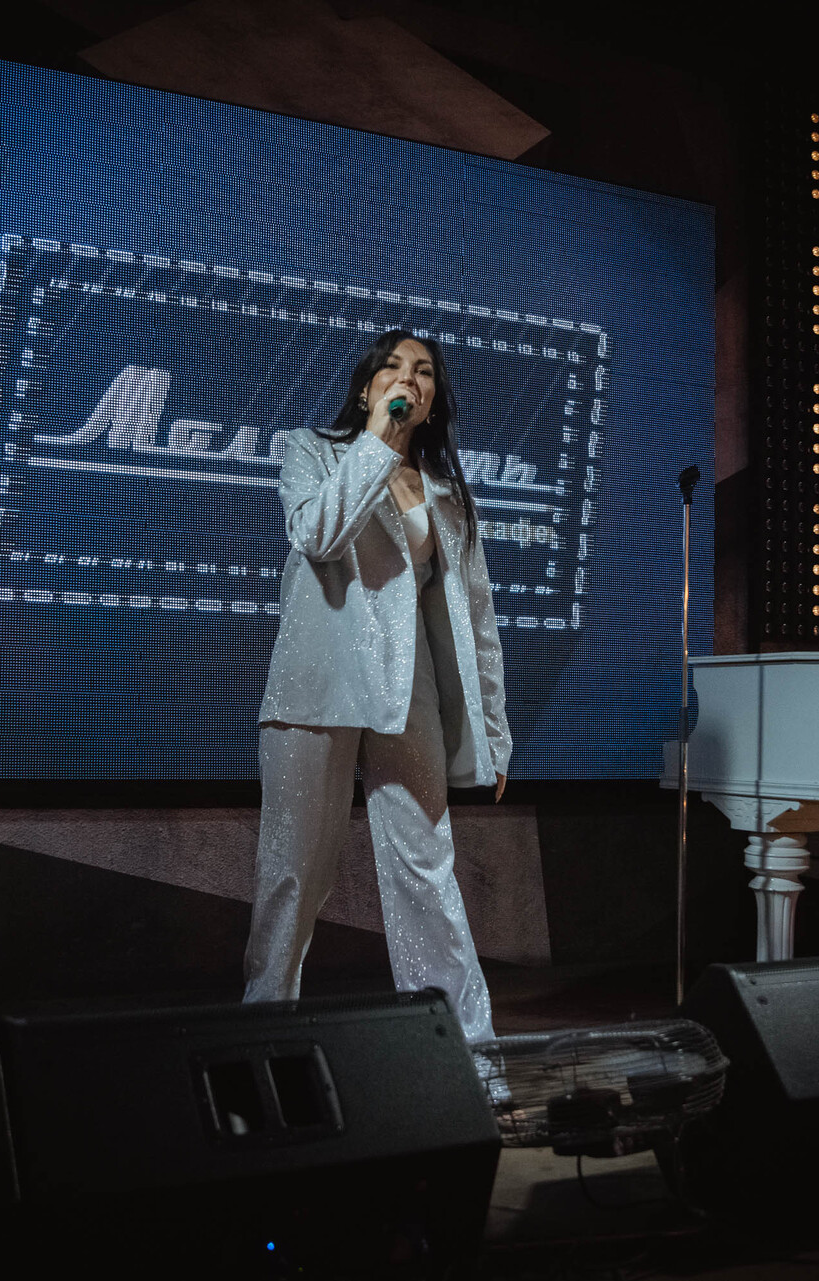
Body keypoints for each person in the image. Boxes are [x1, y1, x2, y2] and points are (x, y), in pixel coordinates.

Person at [243, 328, 511, 1044]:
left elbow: (477, 619)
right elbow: (319, 534)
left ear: (433, 401)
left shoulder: (447, 493)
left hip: (407, 689)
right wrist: (377, 444)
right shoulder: (311, 450)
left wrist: (494, 730)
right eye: (393, 367)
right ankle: (264, 1033)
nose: (408, 378)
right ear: (367, 389)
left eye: (423, 372)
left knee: (428, 863)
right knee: (294, 872)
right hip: (317, 683)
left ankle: (463, 1044)